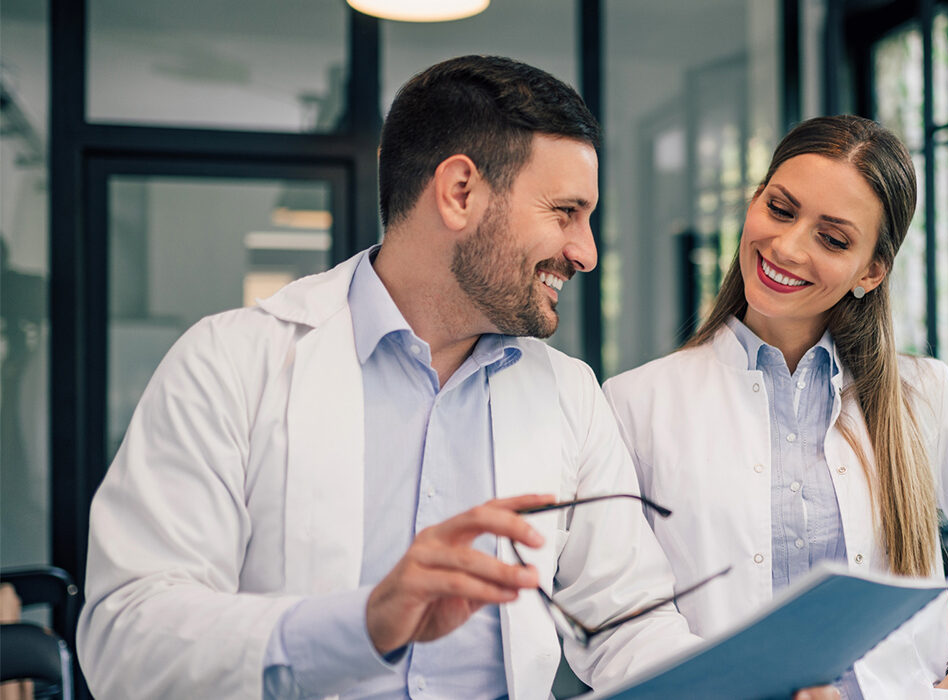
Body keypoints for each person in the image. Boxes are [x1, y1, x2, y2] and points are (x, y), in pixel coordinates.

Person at [78, 55, 785, 699]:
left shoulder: (569, 396)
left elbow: (627, 624)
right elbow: (124, 634)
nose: (587, 252)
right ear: (458, 193)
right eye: (567, 212)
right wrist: (362, 623)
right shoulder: (231, 364)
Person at [602, 115, 948, 700]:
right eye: (781, 209)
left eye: (833, 239)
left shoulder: (921, 397)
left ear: (871, 271)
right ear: (754, 201)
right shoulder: (637, 403)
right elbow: (616, 613)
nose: (787, 247)